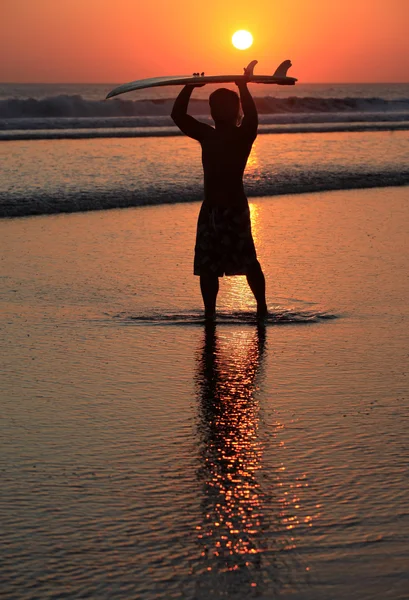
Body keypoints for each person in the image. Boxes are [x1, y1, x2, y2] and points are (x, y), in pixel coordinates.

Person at [171, 75, 267, 319]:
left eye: (223, 107)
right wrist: (188, 87)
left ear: (234, 110)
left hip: (234, 209)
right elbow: (178, 116)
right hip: (211, 209)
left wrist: (243, 87)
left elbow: (253, 117)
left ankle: (262, 308)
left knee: (247, 260)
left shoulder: (242, 135)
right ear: (212, 112)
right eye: (214, 107)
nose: (217, 112)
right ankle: (210, 313)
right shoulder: (208, 135)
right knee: (207, 266)